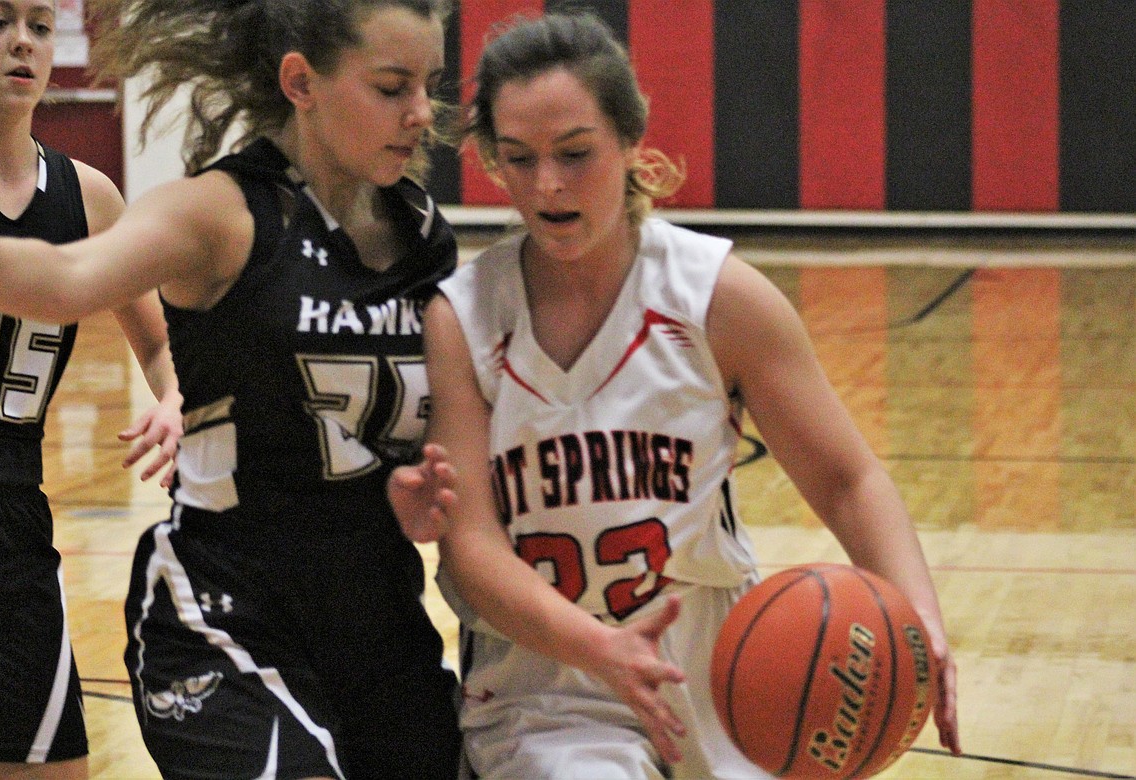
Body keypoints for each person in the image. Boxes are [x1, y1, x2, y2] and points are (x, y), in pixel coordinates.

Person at [389, 12, 962, 779]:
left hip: (721, 684)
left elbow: (848, 478)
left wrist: (919, 617)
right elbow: (473, 546)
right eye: (519, 159)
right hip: (548, 694)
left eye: (575, 153)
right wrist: (603, 649)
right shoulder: (464, 315)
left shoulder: (717, 297)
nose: (548, 185)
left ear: (630, 142)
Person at [0, 0, 463, 777]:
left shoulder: (422, 234)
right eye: (393, 86)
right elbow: (66, 278)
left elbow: (457, 426)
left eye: (429, 84)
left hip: (377, 607)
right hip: (229, 607)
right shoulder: (220, 213)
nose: (422, 113)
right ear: (302, 82)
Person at [0, 1, 182, 778]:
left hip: (11, 509)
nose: (22, 40)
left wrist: (172, 398)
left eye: (39, 24)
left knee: (56, 768)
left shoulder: (87, 195)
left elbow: (160, 343)